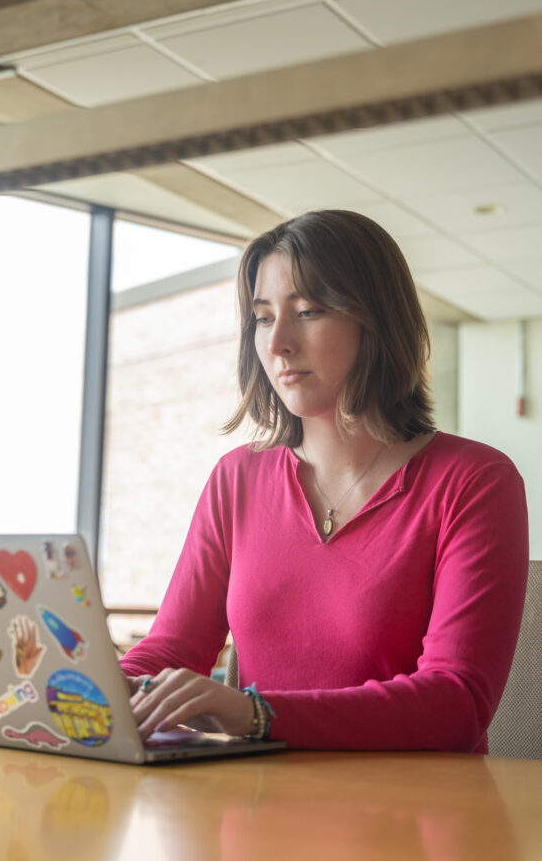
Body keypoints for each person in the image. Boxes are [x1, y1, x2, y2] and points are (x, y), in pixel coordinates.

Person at [120, 209, 529, 752]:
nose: (279, 342)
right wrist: (92, 685)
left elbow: (456, 701)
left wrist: (256, 715)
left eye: (308, 310)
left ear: (377, 320)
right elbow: (170, 651)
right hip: (257, 811)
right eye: (263, 318)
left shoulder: (474, 481)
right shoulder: (236, 478)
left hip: (413, 818)